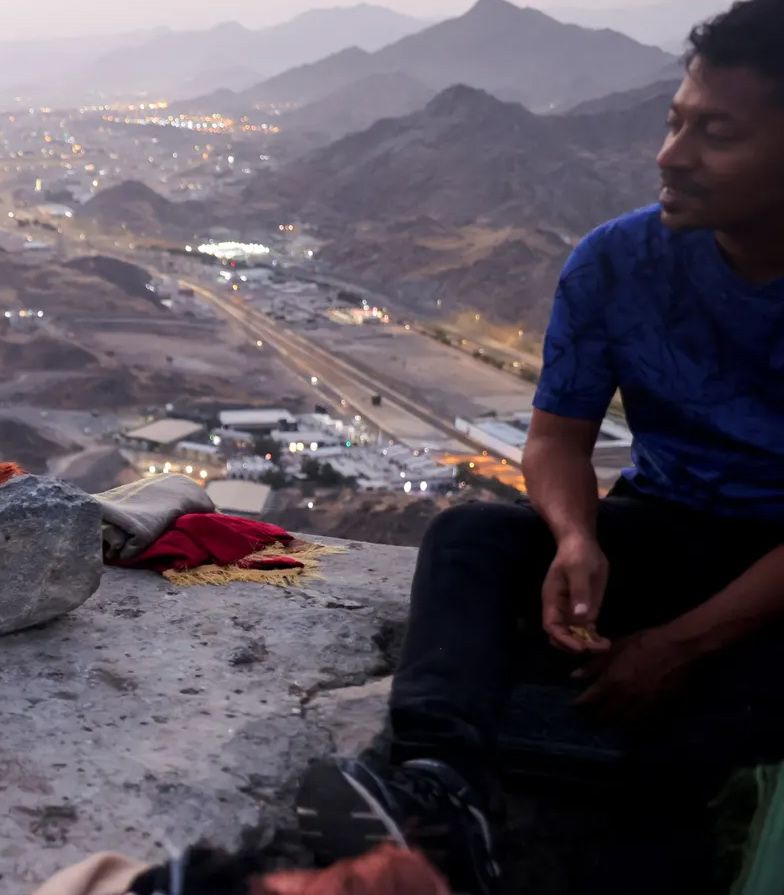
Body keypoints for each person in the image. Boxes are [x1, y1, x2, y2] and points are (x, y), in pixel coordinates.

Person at [292, 1, 784, 891]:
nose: (671, 155)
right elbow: (556, 438)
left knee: (677, 748)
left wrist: (677, 645)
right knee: (470, 539)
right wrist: (575, 535)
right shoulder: (617, 261)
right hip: (669, 526)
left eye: (716, 134)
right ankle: (439, 794)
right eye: (675, 122)